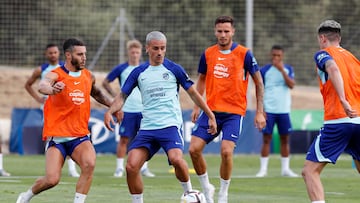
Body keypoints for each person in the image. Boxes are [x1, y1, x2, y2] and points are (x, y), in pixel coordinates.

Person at [104, 31, 217, 203]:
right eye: (156, 48)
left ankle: (190, 193)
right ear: (148, 48)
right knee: (131, 166)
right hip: (148, 128)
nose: (159, 52)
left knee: (176, 159)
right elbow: (122, 96)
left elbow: (194, 94)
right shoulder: (139, 72)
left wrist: (210, 115)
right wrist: (109, 111)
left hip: (170, 126)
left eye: (163, 48)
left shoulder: (174, 69)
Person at [16, 38, 113, 203]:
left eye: (85, 54)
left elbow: (96, 93)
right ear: (68, 55)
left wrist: (114, 106)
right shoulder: (56, 74)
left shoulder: (88, 76)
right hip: (57, 139)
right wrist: (51, 90)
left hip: (80, 137)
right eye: (80, 54)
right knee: (52, 180)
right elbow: (42, 85)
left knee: (89, 164)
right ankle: (26, 196)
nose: (84, 57)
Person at [189, 15, 266, 203]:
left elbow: (258, 82)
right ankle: (207, 187)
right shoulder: (208, 54)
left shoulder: (244, 54)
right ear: (215, 31)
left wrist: (259, 111)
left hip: (234, 113)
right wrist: (197, 106)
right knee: (193, 150)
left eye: (226, 31)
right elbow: (201, 80)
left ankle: (223, 193)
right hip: (211, 112)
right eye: (219, 31)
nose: (223, 35)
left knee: (226, 152)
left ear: (233, 32)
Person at [302, 20, 360, 203]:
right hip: (358, 121)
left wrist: (343, 99)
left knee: (309, 171)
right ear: (339, 38)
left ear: (322, 38)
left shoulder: (323, 54)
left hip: (338, 121)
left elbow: (333, 68)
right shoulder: (353, 59)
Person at [24, 43, 80, 178]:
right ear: (46, 54)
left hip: (67, 108)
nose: (53, 55)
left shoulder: (65, 69)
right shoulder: (41, 70)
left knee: (69, 134)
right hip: (50, 109)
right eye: (50, 53)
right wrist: (38, 99)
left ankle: (72, 168)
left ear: (59, 53)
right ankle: (51, 167)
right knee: (51, 135)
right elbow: (28, 84)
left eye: (55, 52)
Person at [102, 39, 154, 178]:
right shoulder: (121, 68)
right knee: (124, 139)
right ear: (128, 53)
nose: (135, 55)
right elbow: (105, 82)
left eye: (137, 52)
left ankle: (144, 167)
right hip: (127, 110)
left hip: (143, 110)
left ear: (140, 52)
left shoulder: (145, 68)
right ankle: (119, 168)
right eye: (132, 52)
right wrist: (115, 97)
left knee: (144, 139)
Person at [256, 45, 298, 178]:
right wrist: (261, 109)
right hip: (269, 110)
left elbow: (291, 85)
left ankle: (285, 169)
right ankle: (263, 170)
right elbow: (259, 89)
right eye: (274, 55)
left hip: (284, 110)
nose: (276, 58)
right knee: (266, 139)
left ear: (282, 56)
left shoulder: (288, 69)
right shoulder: (264, 70)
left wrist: (282, 71)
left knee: (285, 139)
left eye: (278, 56)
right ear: (271, 55)